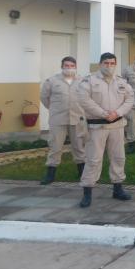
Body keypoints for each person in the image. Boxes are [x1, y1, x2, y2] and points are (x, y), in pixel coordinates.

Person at [76, 53, 134, 208]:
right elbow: (84, 100)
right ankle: (87, 192)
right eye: (106, 63)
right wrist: (103, 114)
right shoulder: (89, 81)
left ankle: (118, 188)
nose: (109, 66)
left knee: (118, 158)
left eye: (112, 63)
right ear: (100, 64)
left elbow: (130, 99)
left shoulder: (121, 81)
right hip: (97, 126)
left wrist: (118, 113)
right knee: (93, 159)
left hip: (117, 126)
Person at [39, 56, 87, 184]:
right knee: (55, 146)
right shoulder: (52, 81)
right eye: (66, 66)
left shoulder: (82, 81)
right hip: (58, 119)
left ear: (76, 67)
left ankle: (82, 172)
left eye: (72, 66)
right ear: (62, 67)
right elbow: (44, 98)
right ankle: (50, 174)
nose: (69, 68)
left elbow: (87, 98)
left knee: (79, 146)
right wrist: (54, 109)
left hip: (77, 118)